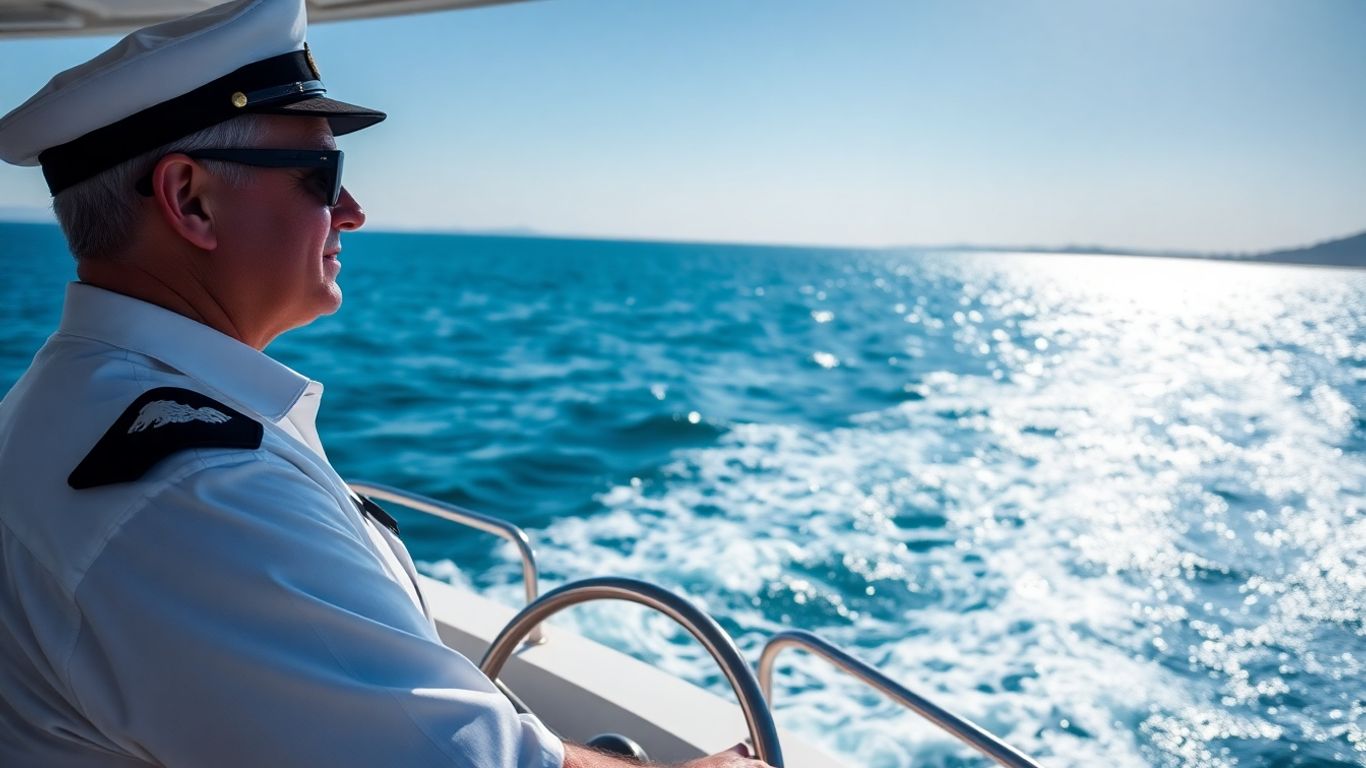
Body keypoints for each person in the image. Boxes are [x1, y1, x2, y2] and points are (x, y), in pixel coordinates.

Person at [0, 1, 771, 766]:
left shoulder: (72, 404)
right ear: (191, 200)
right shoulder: (197, 491)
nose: (354, 212)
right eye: (322, 175)